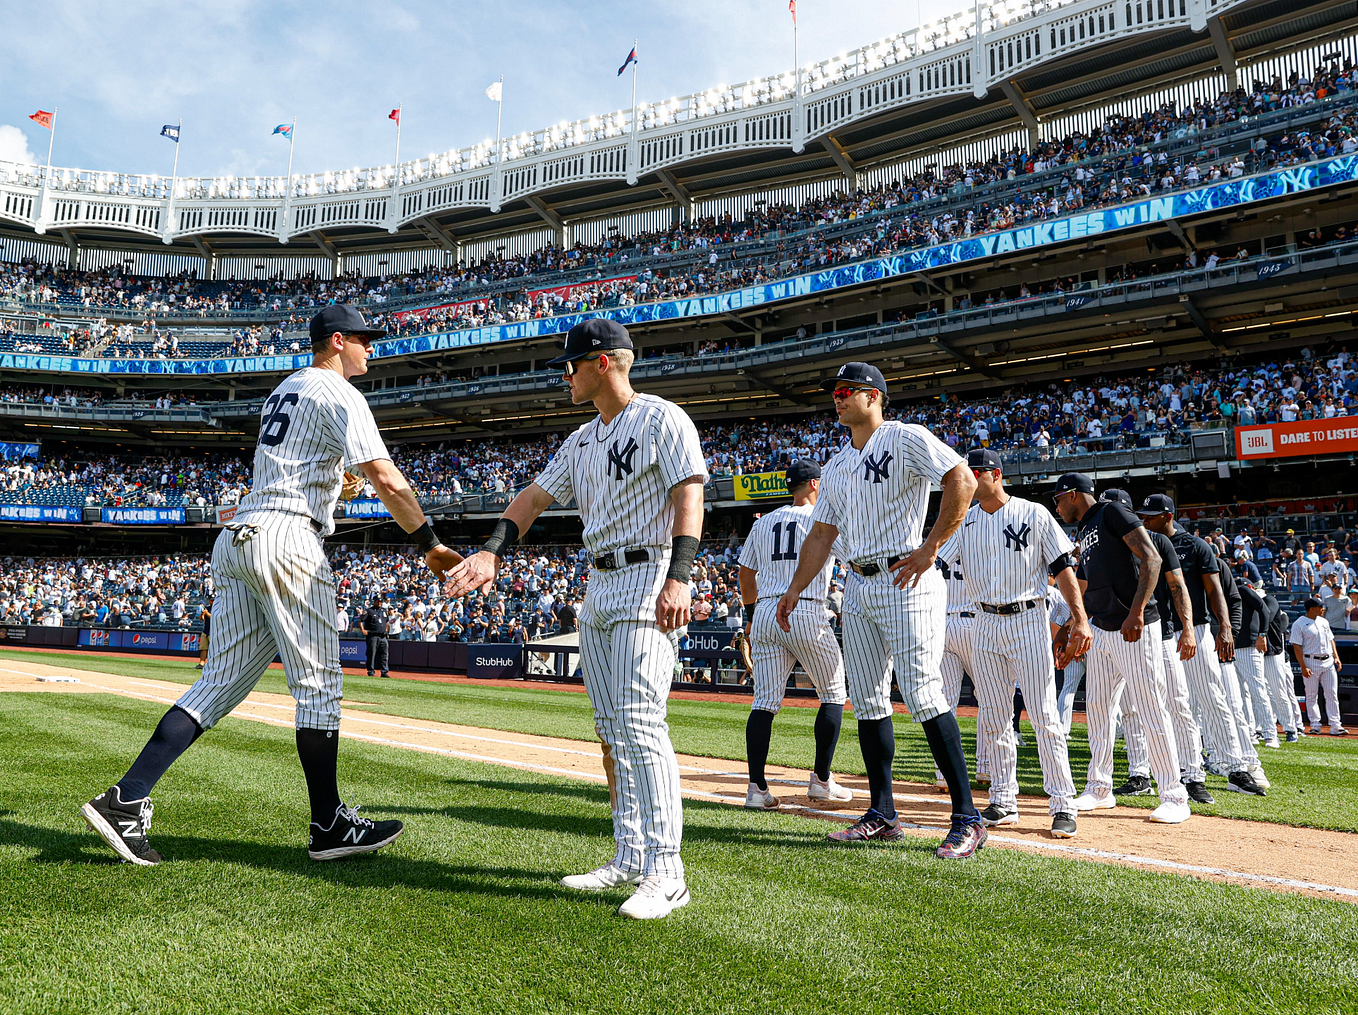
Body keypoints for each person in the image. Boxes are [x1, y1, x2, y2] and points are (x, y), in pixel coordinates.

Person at [81, 305, 462, 866]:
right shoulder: (340, 391)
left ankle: (127, 797)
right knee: (319, 686)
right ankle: (329, 825)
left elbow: (304, 464)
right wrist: (428, 541)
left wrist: (332, 484)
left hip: (241, 535)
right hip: (286, 539)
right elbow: (386, 477)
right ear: (337, 342)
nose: (370, 349)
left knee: (217, 684)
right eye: (362, 340)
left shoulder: (286, 388)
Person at [444, 318, 706, 920]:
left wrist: (680, 578)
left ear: (605, 363)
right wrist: (491, 550)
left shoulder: (662, 418)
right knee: (613, 732)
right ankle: (630, 856)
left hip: (650, 572)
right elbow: (533, 499)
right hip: (601, 582)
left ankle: (668, 872)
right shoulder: (583, 438)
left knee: (643, 725)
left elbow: (689, 496)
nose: (564, 376)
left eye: (571, 366)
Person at [776, 361, 986, 859]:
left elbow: (963, 479)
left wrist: (933, 546)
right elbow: (822, 535)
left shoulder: (904, 437)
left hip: (906, 575)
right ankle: (883, 813)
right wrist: (793, 589)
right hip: (859, 584)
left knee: (921, 690)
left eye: (847, 390)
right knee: (868, 699)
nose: (838, 397)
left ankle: (968, 817)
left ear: (873, 396)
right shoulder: (837, 464)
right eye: (834, 392)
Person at [946, 449, 1090, 838]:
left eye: (974, 472)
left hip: (1028, 618)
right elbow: (936, 565)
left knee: (1043, 714)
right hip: (984, 622)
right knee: (993, 715)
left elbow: (1063, 568)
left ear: (995, 474)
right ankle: (1003, 799)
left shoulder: (1034, 513)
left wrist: (1079, 619)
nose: (969, 479)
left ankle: (1063, 803)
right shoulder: (964, 522)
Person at [1052, 474, 1190, 824]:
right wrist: (1069, 625)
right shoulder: (1084, 529)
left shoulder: (1112, 512)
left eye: (1058, 499)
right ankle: (1100, 789)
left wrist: (1137, 612)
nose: (1056, 506)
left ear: (1073, 495)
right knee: (1098, 709)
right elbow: (1083, 582)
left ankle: (1174, 794)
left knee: (1150, 707)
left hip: (1133, 627)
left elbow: (1152, 559)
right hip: (1102, 627)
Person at [737, 459, 853, 810]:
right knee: (833, 693)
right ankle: (821, 781)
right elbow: (853, 559)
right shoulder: (823, 520)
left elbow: (745, 573)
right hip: (805, 606)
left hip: (768, 611)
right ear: (815, 484)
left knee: (764, 703)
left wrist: (753, 615)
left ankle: (756, 789)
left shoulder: (765, 521)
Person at [1136, 496, 1266, 796]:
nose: (1145, 520)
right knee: (1174, 705)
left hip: (1196, 629)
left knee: (1212, 698)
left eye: (1151, 516)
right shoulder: (1146, 545)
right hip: (1162, 631)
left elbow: (1215, 589)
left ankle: (1235, 768)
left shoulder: (1196, 546)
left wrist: (1225, 629)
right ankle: (1186, 770)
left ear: (1167, 516)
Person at [1099, 490, 1211, 806]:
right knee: (1131, 709)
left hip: (1160, 634)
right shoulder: (1103, 546)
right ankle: (1139, 774)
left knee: (1177, 703)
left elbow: (1178, 587)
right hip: (1117, 634)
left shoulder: (1157, 542)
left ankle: (1192, 775)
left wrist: (1187, 629)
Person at [1290, 597, 1347, 735]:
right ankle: (1315, 724)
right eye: (1320, 607)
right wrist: (1303, 666)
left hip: (1328, 661)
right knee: (1311, 695)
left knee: (1332, 694)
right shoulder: (1299, 624)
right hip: (1310, 661)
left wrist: (1336, 657)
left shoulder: (1324, 621)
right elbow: (1296, 646)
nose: (1323, 609)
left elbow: (1331, 640)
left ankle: (1335, 725)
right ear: (1312, 609)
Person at [362, 596, 391, 679]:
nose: (379, 603)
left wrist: (386, 631)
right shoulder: (369, 611)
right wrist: (363, 630)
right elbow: (361, 620)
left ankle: (384, 671)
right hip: (373, 636)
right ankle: (371, 671)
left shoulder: (384, 611)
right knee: (372, 654)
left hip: (383, 636)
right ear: (374, 602)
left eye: (381, 602)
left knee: (384, 655)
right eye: (378, 601)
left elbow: (386, 622)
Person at [196, 596, 211, 669]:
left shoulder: (218, 607)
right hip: (206, 630)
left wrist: (207, 613)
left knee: (213, 649)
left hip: (214, 631)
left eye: (213, 600)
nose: (212, 601)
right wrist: (202, 614)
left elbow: (214, 617)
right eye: (211, 600)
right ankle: (201, 664)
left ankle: (212, 664)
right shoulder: (207, 608)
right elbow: (200, 618)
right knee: (203, 648)